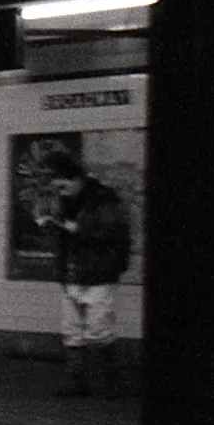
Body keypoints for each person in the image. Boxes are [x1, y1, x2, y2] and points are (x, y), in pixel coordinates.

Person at [36, 151, 131, 396]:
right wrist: (53, 229)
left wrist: (75, 229)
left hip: (100, 272)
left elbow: (111, 233)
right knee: (72, 328)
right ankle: (77, 379)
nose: (61, 191)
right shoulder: (73, 202)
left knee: (99, 327)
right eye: (57, 187)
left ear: (76, 179)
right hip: (74, 273)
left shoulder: (104, 200)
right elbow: (65, 240)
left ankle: (111, 379)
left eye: (63, 185)